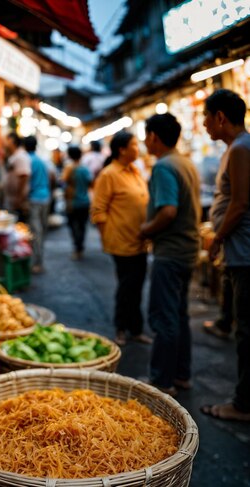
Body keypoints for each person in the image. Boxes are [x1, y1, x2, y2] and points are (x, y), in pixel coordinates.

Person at [139, 113, 201, 397]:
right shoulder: (185, 161)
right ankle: (181, 375)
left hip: (171, 251)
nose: (144, 141)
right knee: (179, 314)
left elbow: (168, 210)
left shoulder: (164, 166)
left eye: (146, 135)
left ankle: (162, 381)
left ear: (154, 136)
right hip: (187, 249)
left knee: (164, 317)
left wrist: (145, 230)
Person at [200, 89, 250, 421]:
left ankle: (243, 404)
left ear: (220, 117)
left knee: (246, 330)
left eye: (207, 117)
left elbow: (240, 202)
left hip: (244, 253)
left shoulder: (241, 149)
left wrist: (217, 239)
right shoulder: (239, 147)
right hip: (242, 251)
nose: (204, 124)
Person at [90, 130, 151, 346]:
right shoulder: (109, 175)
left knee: (136, 286)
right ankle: (121, 329)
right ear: (122, 150)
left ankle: (135, 328)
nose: (138, 148)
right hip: (121, 242)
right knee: (127, 287)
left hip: (140, 241)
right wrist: (106, 236)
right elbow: (98, 211)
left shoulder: (134, 171)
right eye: (134, 145)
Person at [24, 135, 51, 274]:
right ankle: (38, 260)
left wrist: (23, 199)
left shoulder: (27, 160)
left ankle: (37, 263)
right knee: (41, 230)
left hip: (34, 199)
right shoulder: (41, 160)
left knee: (36, 232)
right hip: (45, 197)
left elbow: (27, 182)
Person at [62, 145, 91, 260]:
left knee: (73, 225)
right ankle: (80, 247)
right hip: (84, 201)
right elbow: (90, 182)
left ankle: (77, 247)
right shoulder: (85, 169)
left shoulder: (69, 168)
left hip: (73, 202)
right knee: (82, 226)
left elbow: (62, 182)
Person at [3, 132, 31, 221]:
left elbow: (24, 176)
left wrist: (19, 198)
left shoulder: (20, 156)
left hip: (18, 200)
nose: (4, 143)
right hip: (13, 199)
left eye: (6, 140)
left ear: (12, 141)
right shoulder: (15, 156)